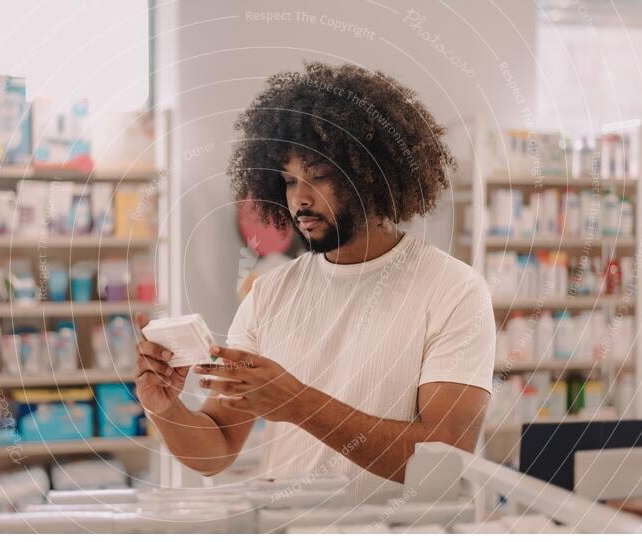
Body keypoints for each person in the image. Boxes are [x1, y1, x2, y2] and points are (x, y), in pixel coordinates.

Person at [134, 61, 495, 503]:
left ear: (371, 174)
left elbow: (444, 458)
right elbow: (218, 448)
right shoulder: (269, 294)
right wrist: (165, 407)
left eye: (319, 177)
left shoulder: (454, 290)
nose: (299, 199)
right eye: (288, 181)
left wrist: (301, 404)